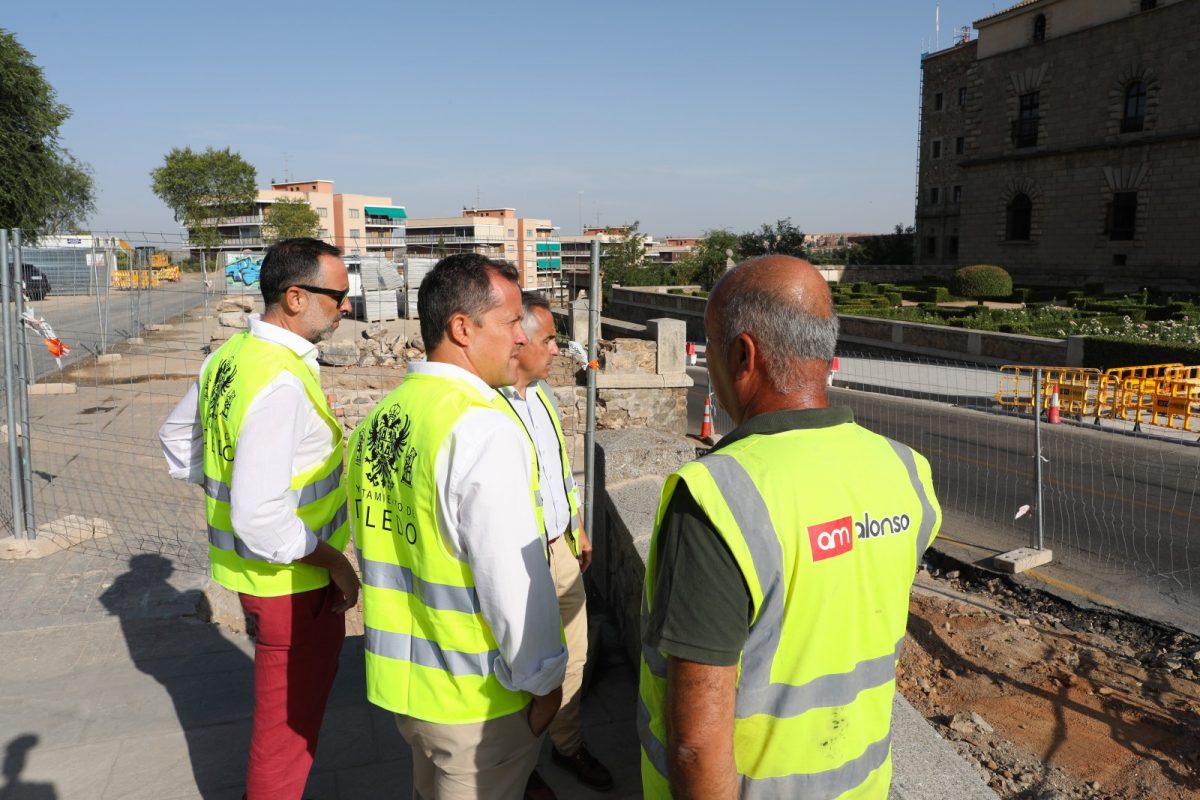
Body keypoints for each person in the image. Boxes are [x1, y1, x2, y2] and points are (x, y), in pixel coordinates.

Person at [638, 255, 941, 799]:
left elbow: (696, 746)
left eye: (711, 347)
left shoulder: (717, 496)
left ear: (742, 355)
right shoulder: (906, 471)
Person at [347, 253, 567, 800]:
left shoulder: (383, 418)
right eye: (511, 322)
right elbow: (512, 583)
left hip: (406, 688)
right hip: (476, 702)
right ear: (463, 328)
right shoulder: (482, 429)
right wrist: (546, 684)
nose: (522, 337)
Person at [159, 237, 360, 800]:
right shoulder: (281, 381)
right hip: (292, 584)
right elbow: (261, 517)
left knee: (286, 717)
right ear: (295, 297)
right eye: (338, 295)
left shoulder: (231, 356)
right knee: (285, 734)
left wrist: (230, 478)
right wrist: (335, 564)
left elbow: (176, 441)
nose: (347, 306)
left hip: (256, 576)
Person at [497, 292, 613, 798]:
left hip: (559, 547)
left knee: (574, 657)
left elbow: (558, 470)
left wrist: (577, 526)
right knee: (521, 668)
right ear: (517, 340)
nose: (556, 349)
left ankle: (567, 746)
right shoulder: (488, 406)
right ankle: (519, 767)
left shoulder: (542, 395)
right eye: (547, 339)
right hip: (521, 560)